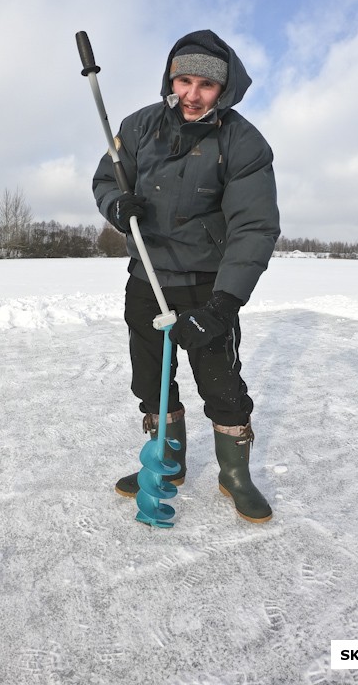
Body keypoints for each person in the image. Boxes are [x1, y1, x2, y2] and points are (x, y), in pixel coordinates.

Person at [92, 29, 280, 523]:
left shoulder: (243, 142)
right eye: (184, 80)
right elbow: (107, 178)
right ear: (170, 78)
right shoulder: (139, 127)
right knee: (151, 380)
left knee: (221, 385)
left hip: (206, 285)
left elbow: (254, 227)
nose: (192, 95)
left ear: (225, 88)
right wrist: (118, 203)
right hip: (147, 278)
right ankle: (167, 461)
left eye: (206, 85)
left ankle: (234, 475)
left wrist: (224, 305)